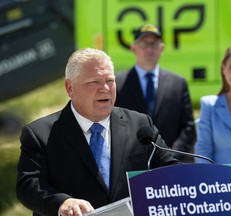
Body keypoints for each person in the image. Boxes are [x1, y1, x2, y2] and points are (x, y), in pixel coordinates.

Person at [16, 48, 180, 216]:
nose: (105, 88)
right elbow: (28, 185)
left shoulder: (140, 125)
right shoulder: (40, 134)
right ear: (70, 88)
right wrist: (62, 203)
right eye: (94, 82)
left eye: (110, 80)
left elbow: (171, 170)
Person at [115, 24, 196, 160]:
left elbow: (187, 127)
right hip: (131, 165)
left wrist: (170, 158)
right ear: (134, 48)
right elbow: (114, 126)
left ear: (162, 48)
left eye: (154, 44)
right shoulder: (117, 83)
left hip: (171, 166)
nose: (149, 49)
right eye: (144, 44)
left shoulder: (178, 83)